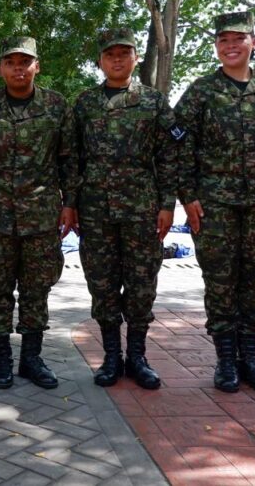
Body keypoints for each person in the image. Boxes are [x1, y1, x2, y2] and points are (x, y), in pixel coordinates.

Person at [175, 12, 255, 394]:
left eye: (238, 39)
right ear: (216, 46)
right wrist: (189, 195)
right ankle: (226, 361)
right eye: (223, 40)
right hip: (215, 204)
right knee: (219, 281)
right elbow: (181, 147)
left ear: (254, 42)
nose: (230, 46)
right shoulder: (201, 91)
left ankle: (251, 358)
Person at [0, 36, 78, 390]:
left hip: (42, 217)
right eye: (11, 62)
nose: (18, 68)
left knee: (36, 289)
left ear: (36, 66)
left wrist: (70, 203)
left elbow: (69, 160)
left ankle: (31, 359)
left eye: (25, 62)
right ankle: (1, 360)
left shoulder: (57, 106)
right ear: (1, 68)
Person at [74, 28, 182, 389]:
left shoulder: (153, 102)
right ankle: (110, 357)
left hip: (141, 209)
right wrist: (71, 203)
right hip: (95, 210)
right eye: (110, 55)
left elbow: (168, 156)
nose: (117, 60)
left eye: (124, 53)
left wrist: (167, 203)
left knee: (141, 284)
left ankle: (137, 357)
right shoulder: (85, 103)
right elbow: (72, 157)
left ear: (135, 58)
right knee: (102, 284)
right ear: (100, 61)